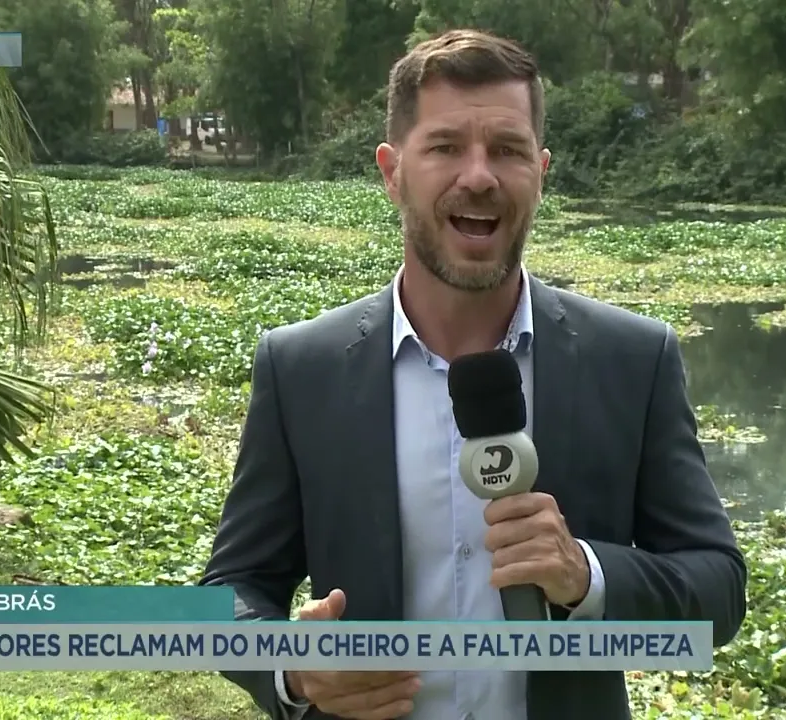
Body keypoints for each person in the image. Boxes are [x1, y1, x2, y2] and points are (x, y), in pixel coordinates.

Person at [199, 28, 747, 720]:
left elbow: (719, 592)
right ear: (392, 172)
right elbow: (233, 588)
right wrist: (290, 669)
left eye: (509, 150)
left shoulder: (634, 359)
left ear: (541, 172)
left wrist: (587, 576)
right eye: (446, 146)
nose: (480, 175)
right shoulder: (301, 367)